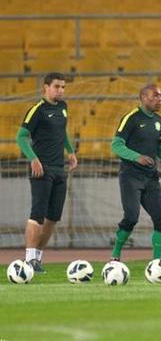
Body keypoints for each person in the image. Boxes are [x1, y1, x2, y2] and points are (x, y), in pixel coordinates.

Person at [110, 84, 161, 261]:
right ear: (144, 98)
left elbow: (159, 149)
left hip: (151, 178)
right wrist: (137, 157)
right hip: (130, 177)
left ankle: (157, 262)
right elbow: (116, 145)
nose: (160, 99)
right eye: (156, 95)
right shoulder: (131, 118)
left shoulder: (159, 121)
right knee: (131, 217)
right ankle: (115, 255)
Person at [16, 72, 78, 273]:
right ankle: (29, 258)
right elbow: (21, 137)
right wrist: (33, 158)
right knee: (38, 214)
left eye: (63, 87)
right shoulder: (37, 110)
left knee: (53, 217)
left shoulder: (63, 107)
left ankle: (38, 258)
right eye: (57, 87)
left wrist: (70, 151)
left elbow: (63, 132)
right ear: (46, 87)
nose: (61, 90)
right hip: (41, 169)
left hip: (60, 169)